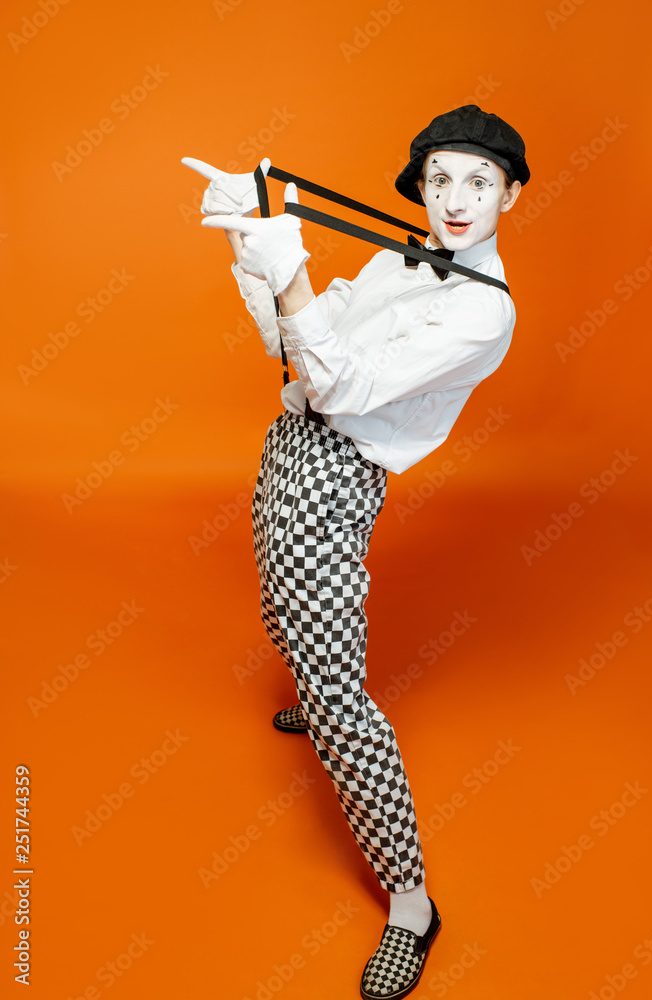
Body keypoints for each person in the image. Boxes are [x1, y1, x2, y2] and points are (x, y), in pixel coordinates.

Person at [182, 104, 529, 1000]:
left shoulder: (484, 314)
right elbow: (290, 350)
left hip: (336, 477)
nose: (455, 200)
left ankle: (411, 905)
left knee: (338, 698)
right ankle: (317, 679)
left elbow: (341, 387)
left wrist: (288, 266)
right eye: (440, 178)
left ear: (511, 195)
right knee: (281, 611)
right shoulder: (394, 256)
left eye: (478, 182)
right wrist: (244, 246)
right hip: (286, 449)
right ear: (420, 185)